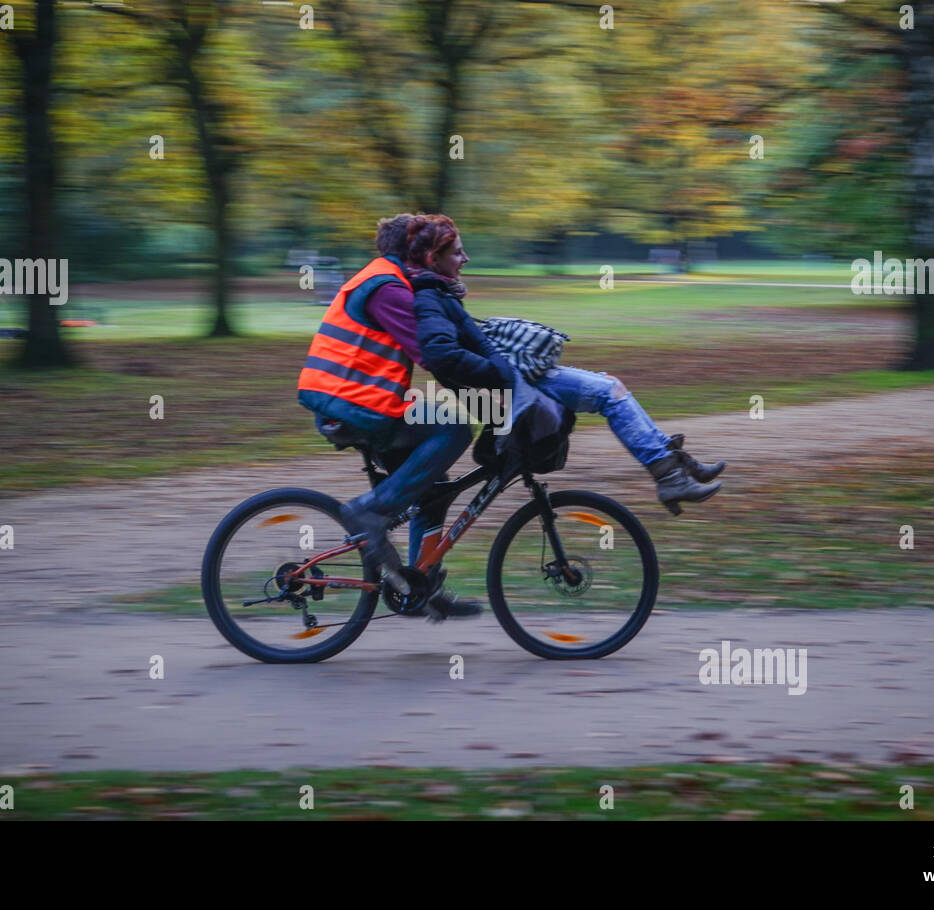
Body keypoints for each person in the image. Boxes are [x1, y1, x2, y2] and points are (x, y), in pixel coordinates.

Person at [404, 213, 726, 515]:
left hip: (517, 380)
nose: (466, 259)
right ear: (434, 259)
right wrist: (500, 373)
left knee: (613, 387)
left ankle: (674, 465)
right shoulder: (431, 298)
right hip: (516, 386)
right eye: (458, 253)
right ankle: (670, 475)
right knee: (609, 392)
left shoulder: (439, 293)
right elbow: (440, 355)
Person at [296, 215, 479, 619]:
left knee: (434, 486)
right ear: (418, 253)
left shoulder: (390, 279)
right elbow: (432, 355)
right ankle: (371, 509)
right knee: (455, 428)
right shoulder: (387, 289)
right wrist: (493, 396)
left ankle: (419, 586)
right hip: (352, 405)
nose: (462, 258)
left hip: (359, 401)